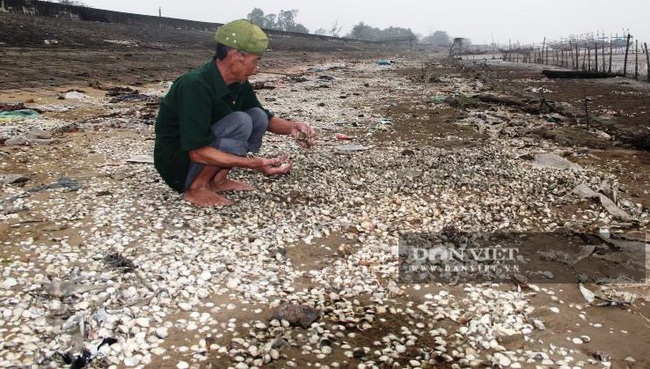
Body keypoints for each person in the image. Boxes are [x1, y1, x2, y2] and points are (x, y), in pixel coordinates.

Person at [154, 19, 316, 207]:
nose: (257, 68)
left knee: (257, 116)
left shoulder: (238, 83)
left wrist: (294, 128)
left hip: (200, 155)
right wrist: (253, 164)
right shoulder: (195, 86)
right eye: (255, 61)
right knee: (241, 121)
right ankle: (197, 188)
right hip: (178, 166)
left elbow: (267, 119)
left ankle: (218, 180)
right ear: (235, 55)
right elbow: (197, 153)